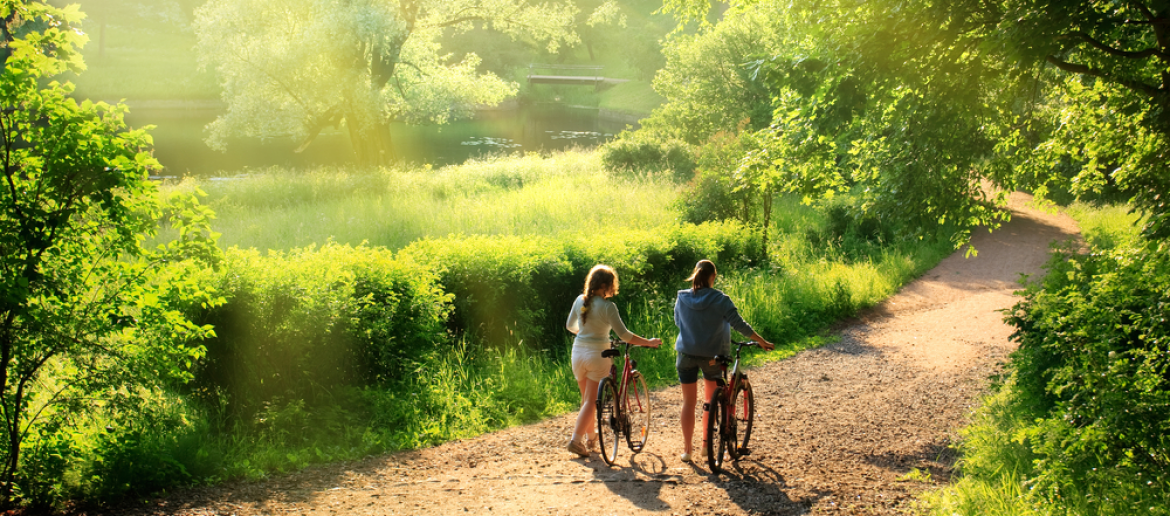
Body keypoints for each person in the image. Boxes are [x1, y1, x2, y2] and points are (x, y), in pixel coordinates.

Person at [674, 259, 774, 463]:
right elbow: (740, 325)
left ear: (696, 275)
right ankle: (705, 445)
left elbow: (678, 322)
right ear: (713, 277)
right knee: (710, 402)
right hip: (712, 356)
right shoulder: (720, 299)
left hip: (685, 354)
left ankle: (686, 450)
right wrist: (761, 341)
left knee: (688, 402)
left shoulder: (682, 297)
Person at [565, 264, 662, 457]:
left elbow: (570, 326)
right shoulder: (608, 307)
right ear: (604, 285)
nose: (613, 289)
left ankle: (591, 438)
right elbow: (625, 336)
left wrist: (586, 334)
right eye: (611, 285)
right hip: (597, 355)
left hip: (578, 353)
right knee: (591, 401)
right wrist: (649, 343)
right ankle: (575, 440)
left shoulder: (580, 300)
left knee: (587, 401)